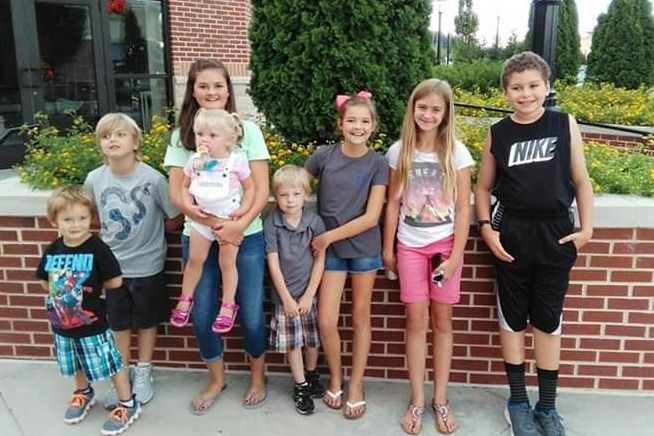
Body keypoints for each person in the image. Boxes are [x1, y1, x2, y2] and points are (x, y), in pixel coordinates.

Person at [474, 51, 593, 436]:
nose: (525, 94)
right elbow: (483, 186)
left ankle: (547, 406)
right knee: (512, 320)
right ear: (506, 92)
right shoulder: (499, 131)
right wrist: (485, 229)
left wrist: (587, 228)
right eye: (516, 88)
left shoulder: (563, 123)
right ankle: (518, 403)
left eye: (532, 86)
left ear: (546, 87)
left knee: (547, 320)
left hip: (556, 232)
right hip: (511, 231)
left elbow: (581, 180)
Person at [163, 59, 269, 414]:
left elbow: (260, 188)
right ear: (192, 90)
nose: (211, 92)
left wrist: (238, 225)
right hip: (200, 232)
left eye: (218, 85)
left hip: (246, 234)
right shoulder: (183, 135)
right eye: (203, 86)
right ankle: (216, 377)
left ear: (229, 89)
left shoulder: (247, 132)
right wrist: (200, 216)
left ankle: (257, 376)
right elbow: (178, 191)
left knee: (251, 312)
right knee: (203, 310)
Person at [383, 79, 473, 435]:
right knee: (415, 322)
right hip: (410, 246)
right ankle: (417, 399)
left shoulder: (457, 153)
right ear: (413, 109)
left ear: (446, 113)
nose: (428, 114)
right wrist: (387, 249)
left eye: (436, 109)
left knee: (443, 323)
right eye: (423, 107)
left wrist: (456, 257)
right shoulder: (399, 151)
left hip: (446, 247)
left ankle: (441, 399)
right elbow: (392, 204)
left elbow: (464, 211)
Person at [84, 113, 179, 409]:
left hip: (148, 264)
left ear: (135, 142)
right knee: (118, 323)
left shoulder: (153, 179)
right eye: (106, 136)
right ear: (100, 144)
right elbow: (93, 217)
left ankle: (144, 370)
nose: (112, 140)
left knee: (147, 320)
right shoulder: (95, 179)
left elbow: (174, 217)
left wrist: (151, 234)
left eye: (120, 135)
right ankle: (121, 374)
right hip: (112, 269)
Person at [305, 91, 388, 420]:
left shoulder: (378, 163)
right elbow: (294, 184)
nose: (358, 126)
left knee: (360, 317)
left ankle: (355, 383)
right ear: (340, 124)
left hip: (363, 249)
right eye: (351, 120)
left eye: (364, 121)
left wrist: (327, 237)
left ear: (373, 126)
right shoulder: (323, 156)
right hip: (331, 253)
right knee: (326, 319)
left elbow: (371, 217)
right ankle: (336, 377)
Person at [36, 185, 141, 435]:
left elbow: (115, 281)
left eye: (82, 218)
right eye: (68, 219)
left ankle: (127, 403)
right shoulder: (53, 249)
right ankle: (83, 392)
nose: (76, 224)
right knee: (75, 363)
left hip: (93, 324)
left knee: (112, 363)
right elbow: (44, 279)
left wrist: (90, 293)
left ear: (92, 218)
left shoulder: (97, 248)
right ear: (55, 221)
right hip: (62, 324)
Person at [169, 108, 254, 334]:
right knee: (195, 259)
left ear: (228, 140)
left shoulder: (236, 162)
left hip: (227, 219)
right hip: (201, 219)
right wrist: (188, 205)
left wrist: (243, 211)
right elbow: (185, 186)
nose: (204, 140)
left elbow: (251, 187)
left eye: (212, 136)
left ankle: (228, 304)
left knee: (226, 263)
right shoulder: (194, 161)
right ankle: (186, 297)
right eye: (200, 134)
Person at [264, 165, 326, 415]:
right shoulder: (272, 224)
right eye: (284, 195)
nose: (290, 200)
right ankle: (300, 385)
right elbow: (273, 263)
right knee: (294, 342)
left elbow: (320, 259)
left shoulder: (314, 221)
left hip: (309, 293)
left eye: (296, 194)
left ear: (306, 195)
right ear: (275, 196)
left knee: (311, 339)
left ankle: (311, 375)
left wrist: (310, 293)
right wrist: (287, 299)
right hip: (285, 297)